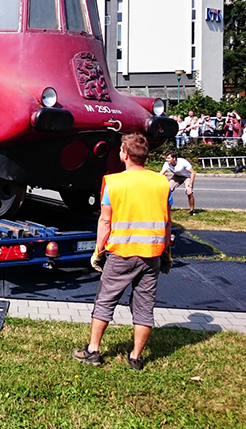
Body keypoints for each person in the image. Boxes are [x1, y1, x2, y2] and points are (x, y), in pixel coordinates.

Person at [72, 133, 172, 371]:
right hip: (151, 254)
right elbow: (167, 222)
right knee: (144, 306)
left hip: (121, 253)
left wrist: (98, 251)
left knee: (105, 300)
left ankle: (93, 350)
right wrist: (166, 252)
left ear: (125, 155)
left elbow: (105, 222)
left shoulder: (114, 183)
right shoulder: (161, 182)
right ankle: (136, 357)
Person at [160, 150, 196, 216]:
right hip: (177, 176)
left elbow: (193, 173)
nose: (167, 159)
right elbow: (161, 174)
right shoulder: (166, 164)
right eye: (166, 158)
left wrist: (190, 186)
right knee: (167, 189)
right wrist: (165, 180)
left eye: (168, 158)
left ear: (174, 158)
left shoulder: (183, 162)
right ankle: (164, 209)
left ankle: (192, 210)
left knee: (189, 192)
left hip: (187, 177)